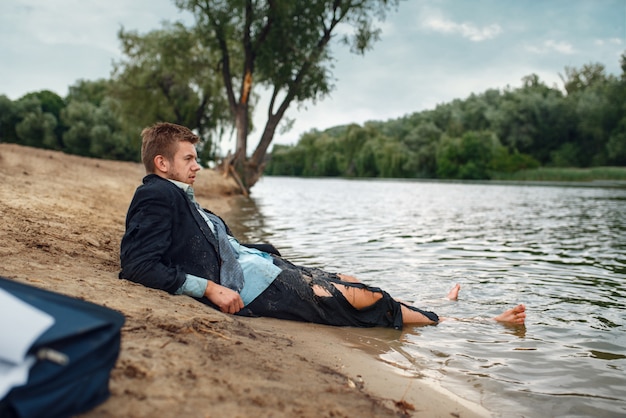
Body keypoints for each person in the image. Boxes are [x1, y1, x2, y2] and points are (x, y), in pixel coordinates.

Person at [119, 122, 526, 329]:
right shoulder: (157, 193)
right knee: (357, 298)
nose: (198, 165)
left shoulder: (173, 193)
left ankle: (435, 309)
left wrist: (262, 250)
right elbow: (137, 264)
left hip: (260, 268)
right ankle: (470, 323)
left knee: (351, 281)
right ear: (162, 162)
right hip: (248, 286)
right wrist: (209, 288)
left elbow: (203, 242)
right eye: (189, 158)